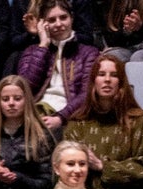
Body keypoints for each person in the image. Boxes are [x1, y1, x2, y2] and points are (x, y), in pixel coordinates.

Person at [63, 52, 143, 189]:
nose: (107, 80)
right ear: (93, 82)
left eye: (113, 75)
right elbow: (63, 168)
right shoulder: (77, 122)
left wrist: (101, 166)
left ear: (121, 82)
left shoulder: (141, 120)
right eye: (101, 74)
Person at [18, 0, 98, 135]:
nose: (58, 24)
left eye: (63, 17)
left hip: (70, 116)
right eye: (52, 20)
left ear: (71, 18)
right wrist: (43, 46)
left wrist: (60, 117)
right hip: (35, 112)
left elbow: (87, 94)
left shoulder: (89, 53)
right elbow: (25, 87)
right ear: (43, 24)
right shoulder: (32, 51)